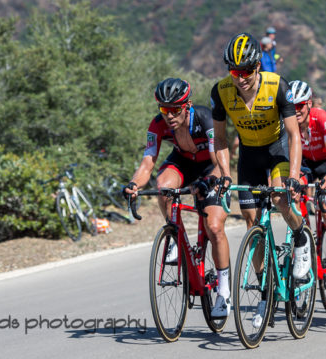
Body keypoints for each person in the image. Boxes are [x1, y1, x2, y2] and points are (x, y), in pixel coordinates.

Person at [210, 33, 307, 328]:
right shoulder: (220, 92)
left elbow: (294, 136)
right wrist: (225, 174)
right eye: (234, 72)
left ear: (257, 67)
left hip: (276, 149)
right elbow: (221, 138)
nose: (240, 78)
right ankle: (266, 292)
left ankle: (301, 237)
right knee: (252, 221)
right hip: (250, 155)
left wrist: (292, 177)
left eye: (247, 71)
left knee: (279, 197)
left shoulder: (278, 86)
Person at [122, 78, 231, 318]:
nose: (169, 115)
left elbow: (220, 164)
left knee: (214, 226)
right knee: (163, 186)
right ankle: (174, 234)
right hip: (183, 162)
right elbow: (146, 165)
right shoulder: (158, 125)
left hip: (210, 167)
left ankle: (224, 292)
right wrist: (133, 185)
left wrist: (209, 181)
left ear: (188, 105)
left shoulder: (205, 118)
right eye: (164, 109)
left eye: (175, 109)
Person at [288, 80, 326, 292]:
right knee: (293, 200)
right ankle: (305, 240)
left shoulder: (322, 118)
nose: (296, 111)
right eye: (292, 107)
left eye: (300, 106)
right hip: (303, 166)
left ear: (309, 104)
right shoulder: (287, 122)